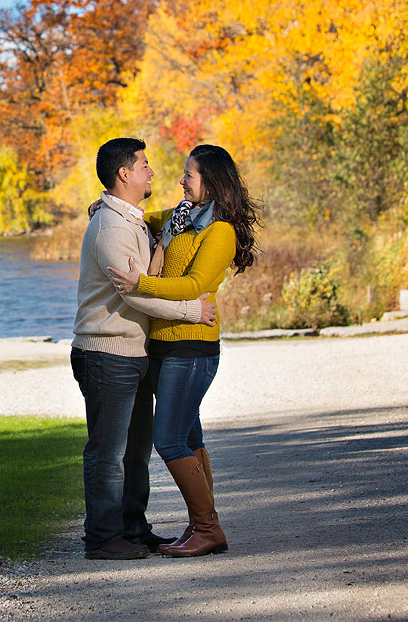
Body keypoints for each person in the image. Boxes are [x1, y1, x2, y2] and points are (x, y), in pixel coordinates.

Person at [106, 144, 260, 557]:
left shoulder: (220, 231)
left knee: (170, 438)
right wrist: (106, 207)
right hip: (165, 345)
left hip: (192, 346)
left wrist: (141, 283)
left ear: (211, 181)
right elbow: (147, 218)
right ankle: (201, 527)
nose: (181, 180)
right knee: (189, 436)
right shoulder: (181, 218)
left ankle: (208, 528)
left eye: (189, 175)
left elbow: (194, 287)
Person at [72, 137, 217, 560]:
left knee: (135, 451)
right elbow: (134, 294)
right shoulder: (112, 226)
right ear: (124, 174)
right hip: (105, 351)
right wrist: (192, 310)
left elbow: (155, 251)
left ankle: (132, 528)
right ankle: (103, 538)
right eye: (145, 165)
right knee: (107, 452)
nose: (153, 172)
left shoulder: (131, 219)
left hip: (132, 352)